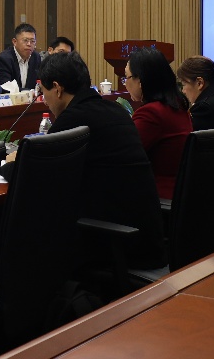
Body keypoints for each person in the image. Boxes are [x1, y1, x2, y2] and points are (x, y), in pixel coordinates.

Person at [32, 50, 165, 268]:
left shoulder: (72, 120)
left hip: (115, 246)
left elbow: (37, 173)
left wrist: (10, 164)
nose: (45, 101)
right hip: (145, 239)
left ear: (57, 88)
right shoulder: (116, 110)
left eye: (44, 92)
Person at [124, 47, 192, 199]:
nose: (125, 84)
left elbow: (124, 154)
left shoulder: (151, 114)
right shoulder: (177, 106)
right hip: (180, 192)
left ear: (140, 81)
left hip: (156, 195)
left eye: (126, 77)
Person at [0, 23, 41, 90]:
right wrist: (30, 92)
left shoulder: (36, 57)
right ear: (14, 42)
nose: (29, 44)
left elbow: (39, 82)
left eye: (32, 41)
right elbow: (5, 87)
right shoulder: (4, 59)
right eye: (25, 40)